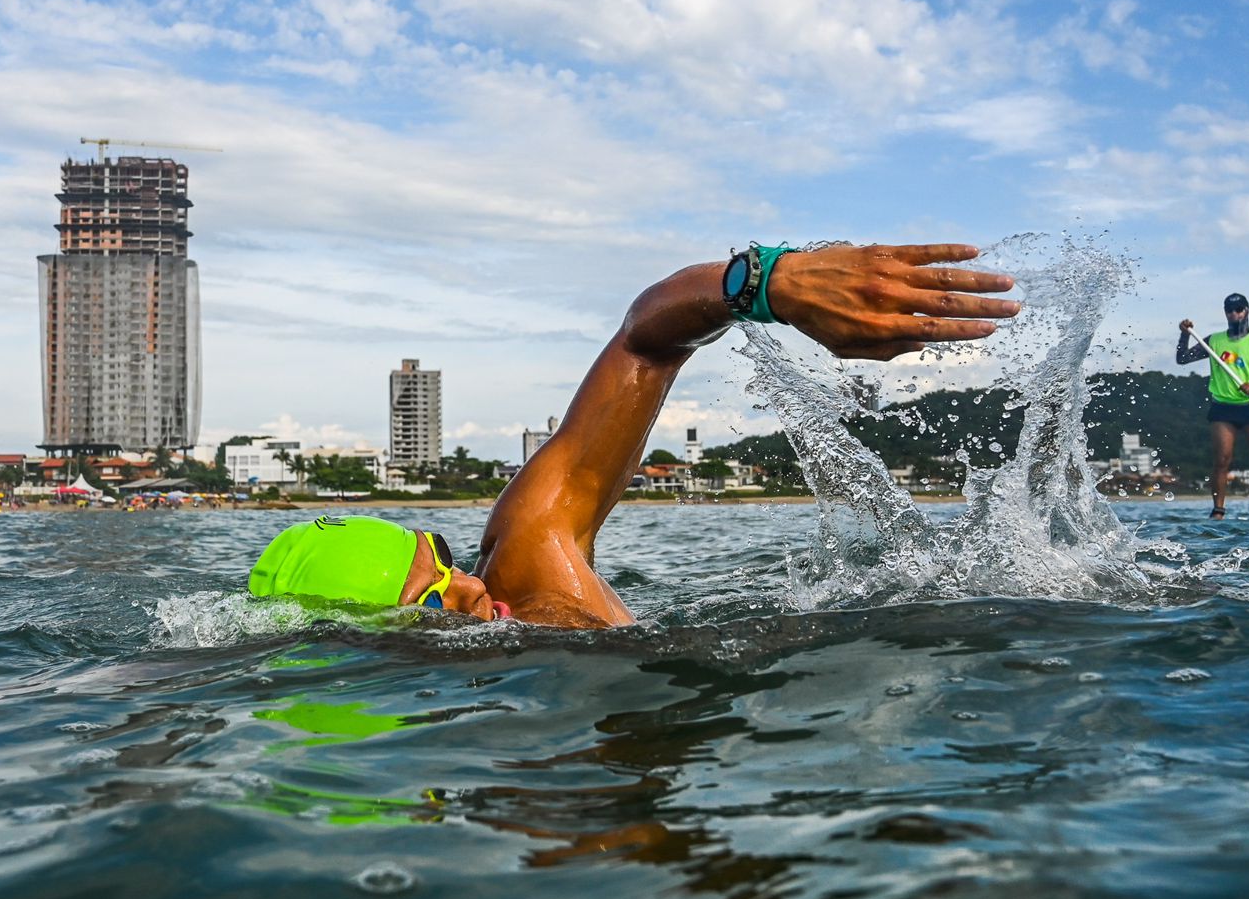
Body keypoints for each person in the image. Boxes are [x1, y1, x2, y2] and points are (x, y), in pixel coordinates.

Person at [250, 241, 1020, 627]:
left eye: (447, 562)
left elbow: (642, 341)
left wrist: (766, 282)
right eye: (433, 601)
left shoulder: (528, 575)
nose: (476, 589)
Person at [1177, 292, 1249, 519]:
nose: (1234, 314)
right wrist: (1184, 335)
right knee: (1222, 460)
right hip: (1223, 407)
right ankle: (1218, 509)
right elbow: (1182, 358)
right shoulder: (1214, 340)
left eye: (1239, 309)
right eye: (1229, 310)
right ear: (1225, 313)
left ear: (1246, 311)